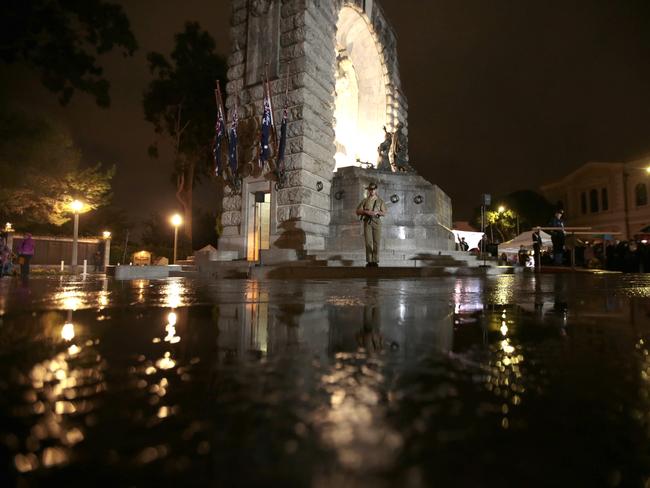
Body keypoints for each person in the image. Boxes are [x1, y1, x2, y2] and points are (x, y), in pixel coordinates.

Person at [356, 182, 387, 267]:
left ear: (376, 190)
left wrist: (376, 212)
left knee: (376, 242)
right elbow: (358, 211)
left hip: (376, 221)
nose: (372, 191)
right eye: (370, 189)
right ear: (368, 190)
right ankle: (369, 260)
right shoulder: (365, 201)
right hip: (367, 221)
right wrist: (366, 211)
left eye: (373, 189)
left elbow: (384, 213)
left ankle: (375, 260)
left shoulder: (380, 201)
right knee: (368, 242)